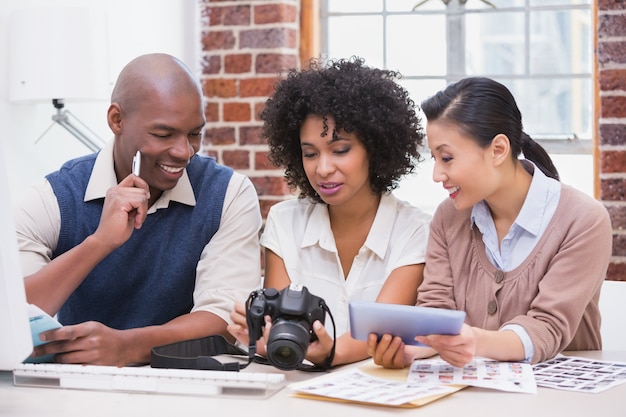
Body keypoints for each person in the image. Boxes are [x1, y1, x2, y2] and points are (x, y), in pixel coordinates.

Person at [14, 53, 263, 367]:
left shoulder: (229, 194)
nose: (183, 151)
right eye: (163, 134)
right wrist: (100, 242)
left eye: (194, 134)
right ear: (117, 120)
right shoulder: (52, 198)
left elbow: (224, 320)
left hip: (188, 386)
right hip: (77, 391)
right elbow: (12, 317)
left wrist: (127, 347)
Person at [367, 77, 613, 369]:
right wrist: (413, 348)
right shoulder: (448, 217)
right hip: (472, 396)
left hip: (559, 399)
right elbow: (436, 309)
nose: (437, 174)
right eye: (434, 158)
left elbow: (547, 328)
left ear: (498, 149)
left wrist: (475, 341)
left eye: (447, 158)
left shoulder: (583, 220)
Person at [227, 57, 432, 368]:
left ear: (374, 149)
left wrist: (329, 353)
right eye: (310, 153)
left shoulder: (415, 230)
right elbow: (282, 328)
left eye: (340, 150)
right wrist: (263, 337)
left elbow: (379, 330)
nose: (322, 169)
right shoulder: (285, 222)